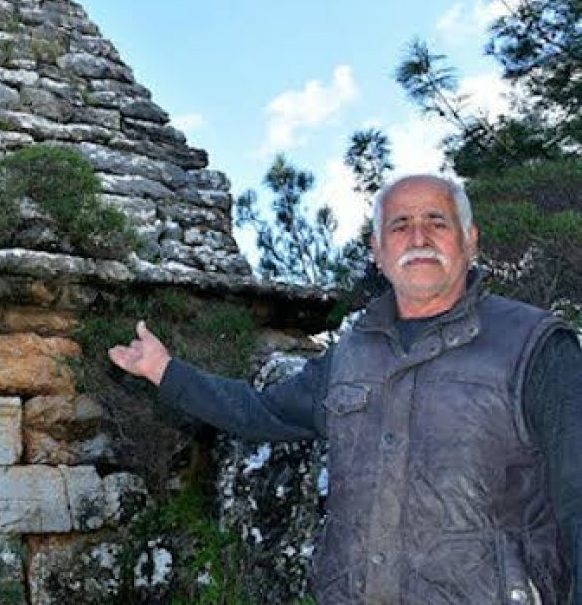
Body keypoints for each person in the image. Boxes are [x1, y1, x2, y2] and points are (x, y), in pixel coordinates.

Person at [109, 173, 581, 604]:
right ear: (378, 252)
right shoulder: (350, 353)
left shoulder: (536, 347)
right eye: (400, 226)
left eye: (437, 222)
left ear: (469, 240)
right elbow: (261, 412)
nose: (418, 238)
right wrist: (167, 371)